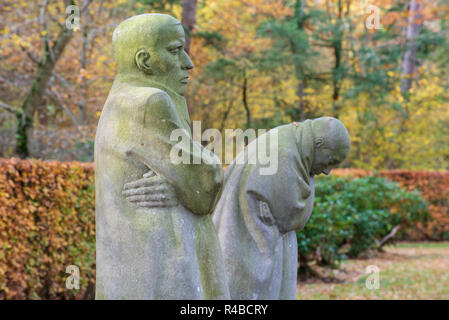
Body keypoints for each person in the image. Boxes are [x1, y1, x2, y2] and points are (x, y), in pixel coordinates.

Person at [95, 14, 229, 299]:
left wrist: (177, 185)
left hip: (138, 267)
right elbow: (205, 183)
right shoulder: (148, 102)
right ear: (145, 61)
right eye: (175, 50)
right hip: (159, 266)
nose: (188, 62)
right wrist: (187, 184)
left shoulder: (119, 100)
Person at [212, 117, 350, 299]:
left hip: (247, 239)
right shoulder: (284, 154)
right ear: (318, 144)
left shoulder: (289, 142)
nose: (327, 171)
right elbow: (291, 217)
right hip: (248, 247)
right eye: (330, 160)